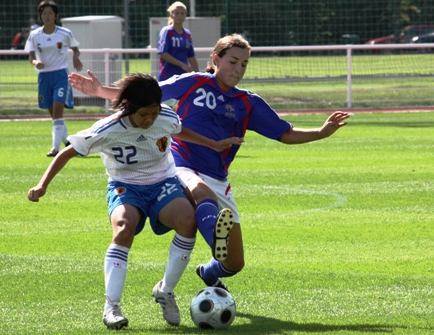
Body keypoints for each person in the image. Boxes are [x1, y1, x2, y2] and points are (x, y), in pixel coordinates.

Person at [68, 33, 350, 293]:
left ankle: (207, 270)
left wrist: (320, 132)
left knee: (233, 263)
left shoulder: (247, 102)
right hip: (180, 164)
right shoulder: (195, 82)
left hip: (219, 178)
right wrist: (101, 91)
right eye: (233, 61)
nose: (238, 69)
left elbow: (285, 133)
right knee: (201, 194)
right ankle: (209, 240)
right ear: (215, 59)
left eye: (244, 64)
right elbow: (148, 96)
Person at [27, 73, 243, 329]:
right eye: (144, 114)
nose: (150, 119)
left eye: (154, 112)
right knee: (123, 228)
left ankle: (166, 290)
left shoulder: (165, 117)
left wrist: (213, 144)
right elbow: (68, 152)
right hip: (125, 187)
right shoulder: (107, 128)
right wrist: (42, 184)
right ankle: (112, 307)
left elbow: (180, 130)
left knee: (188, 221)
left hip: (163, 183)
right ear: (128, 106)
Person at [25, 0, 83, 157]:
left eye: (50, 13)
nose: (47, 16)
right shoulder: (35, 35)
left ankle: (55, 149)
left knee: (58, 113)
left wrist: (76, 57)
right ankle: (69, 143)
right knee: (54, 115)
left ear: (56, 16)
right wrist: (35, 62)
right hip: (44, 77)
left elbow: (76, 49)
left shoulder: (64, 33)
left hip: (60, 75)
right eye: (44, 13)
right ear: (40, 16)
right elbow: (30, 55)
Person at [157, 1, 199, 82]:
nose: (180, 16)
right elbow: (163, 53)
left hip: (183, 76)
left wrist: (198, 75)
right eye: (177, 13)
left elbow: (191, 56)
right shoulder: (167, 31)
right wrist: (182, 65)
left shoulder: (187, 34)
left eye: (182, 13)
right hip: (167, 77)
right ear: (171, 15)